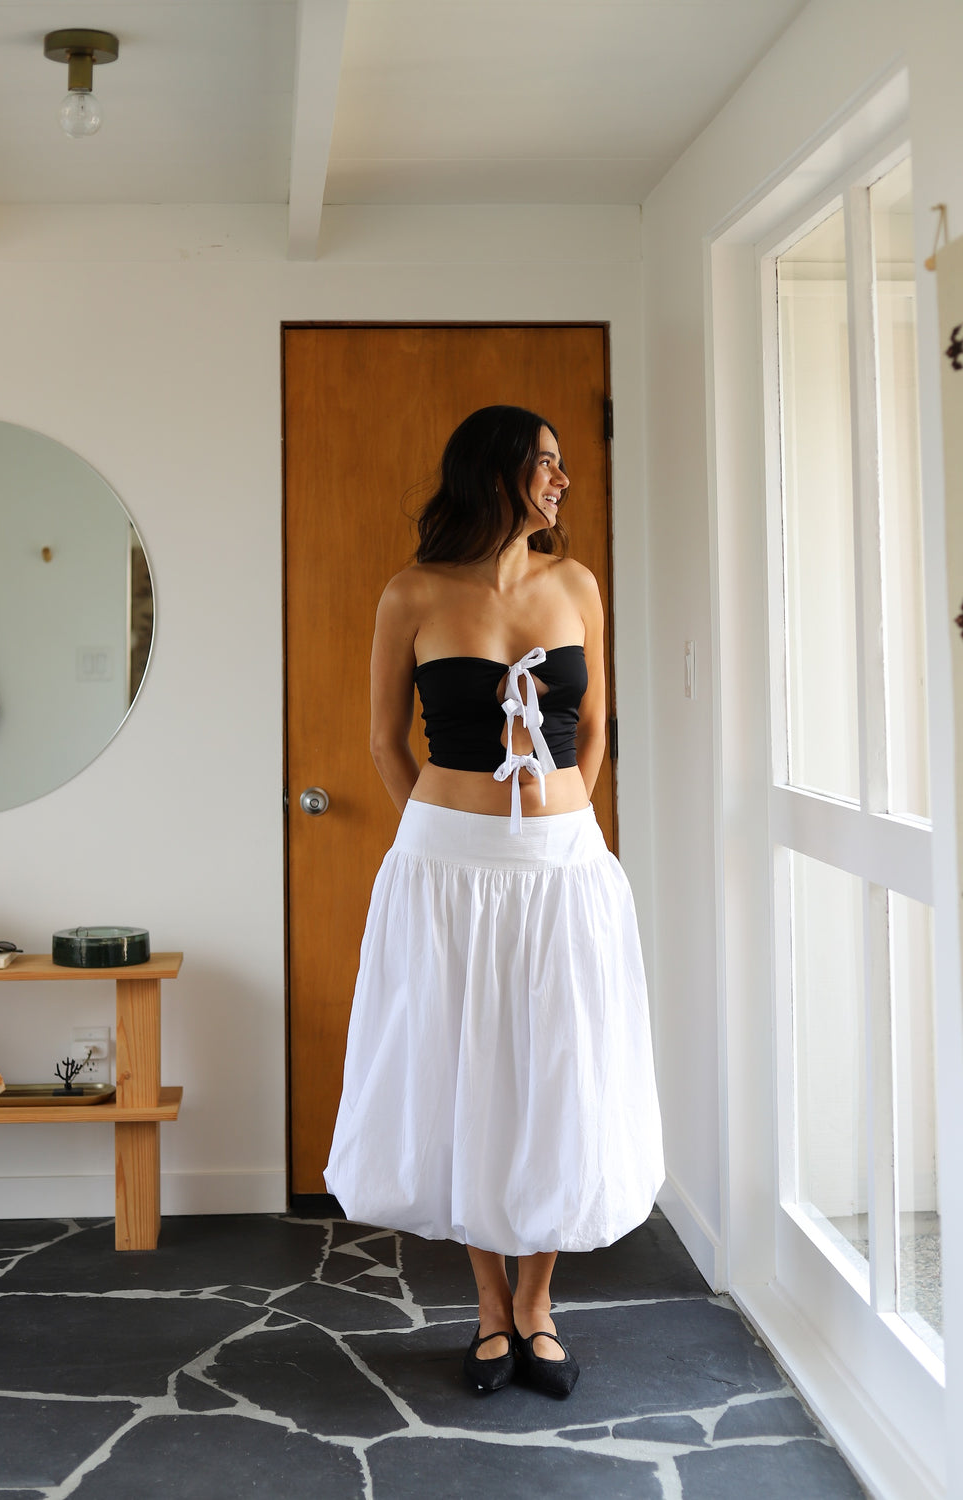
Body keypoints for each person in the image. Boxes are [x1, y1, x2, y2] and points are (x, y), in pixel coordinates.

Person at [325, 405, 664, 1398]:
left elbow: (594, 726)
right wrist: (444, 835)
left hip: (562, 866)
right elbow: (388, 742)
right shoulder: (412, 592)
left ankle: (537, 1306)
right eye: (545, 464)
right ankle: (484, 1307)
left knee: (558, 1069)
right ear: (496, 473)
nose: (560, 479)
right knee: (464, 1070)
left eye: (562, 464)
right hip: (444, 867)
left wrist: (560, 824)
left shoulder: (575, 585)